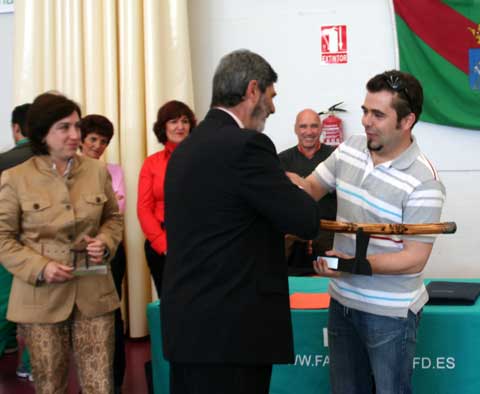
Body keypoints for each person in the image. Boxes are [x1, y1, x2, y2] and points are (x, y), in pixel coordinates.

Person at [162, 49, 320, 394]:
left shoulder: (186, 150)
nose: (274, 108)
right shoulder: (247, 147)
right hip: (230, 334)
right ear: (252, 91)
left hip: (188, 325)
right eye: (271, 96)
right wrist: (293, 185)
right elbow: (305, 220)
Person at [287, 70, 446, 394]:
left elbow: (415, 259)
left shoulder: (424, 180)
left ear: (407, 121)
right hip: (342, 303)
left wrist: (351, 263)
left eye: (377, 114)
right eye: (364, 110)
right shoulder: (349, 149)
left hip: (391, 316)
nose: (365, 121)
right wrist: (279, 184)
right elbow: (313, 188)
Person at [0, 92, 123, 394]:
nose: (75, 135)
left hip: (95, 295)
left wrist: (106, 241)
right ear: (43, 132)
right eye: (64, 127)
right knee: (50, 383)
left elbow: (113, 219)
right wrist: (40, 267)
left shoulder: (96, 170)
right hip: (40, 298)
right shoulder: (15, 178)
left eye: (77, 126)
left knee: (100, 383)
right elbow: (3, 238)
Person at [79, 114, 127, 393]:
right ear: (82, 139)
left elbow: (116, 211)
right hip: (79, 253)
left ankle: (114, 380)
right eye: (93, 139)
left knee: (112, 313)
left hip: (110, 252)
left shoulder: (115, 171)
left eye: (104, 141)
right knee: (83, 319)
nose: (98, 145)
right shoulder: (69, 171)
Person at [137, 100, 196, 297]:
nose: (180, 127)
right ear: (164, 127)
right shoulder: (151, 163)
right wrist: (163, 245)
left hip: (196, 241)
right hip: (162, 243)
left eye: (185, 121)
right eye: (173, 121)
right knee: (170, 304)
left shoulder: (203, 158)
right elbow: (144, 209)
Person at [279, 109, 337, 275]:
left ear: (321, 128)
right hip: (294, 238)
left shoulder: (335, 157)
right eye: (303, 126)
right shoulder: (281, 161)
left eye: (314, 126)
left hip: (330, 236)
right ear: (296, 129)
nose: (309, 132)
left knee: (332, 279)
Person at [0, 103, 33, 381]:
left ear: (16, 128)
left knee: (2, 301)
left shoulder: (2, 161)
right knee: (38, 306)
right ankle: (30, 363)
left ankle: (6, 344)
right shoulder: (51, 160)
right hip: (39, 246)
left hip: (5, 243)